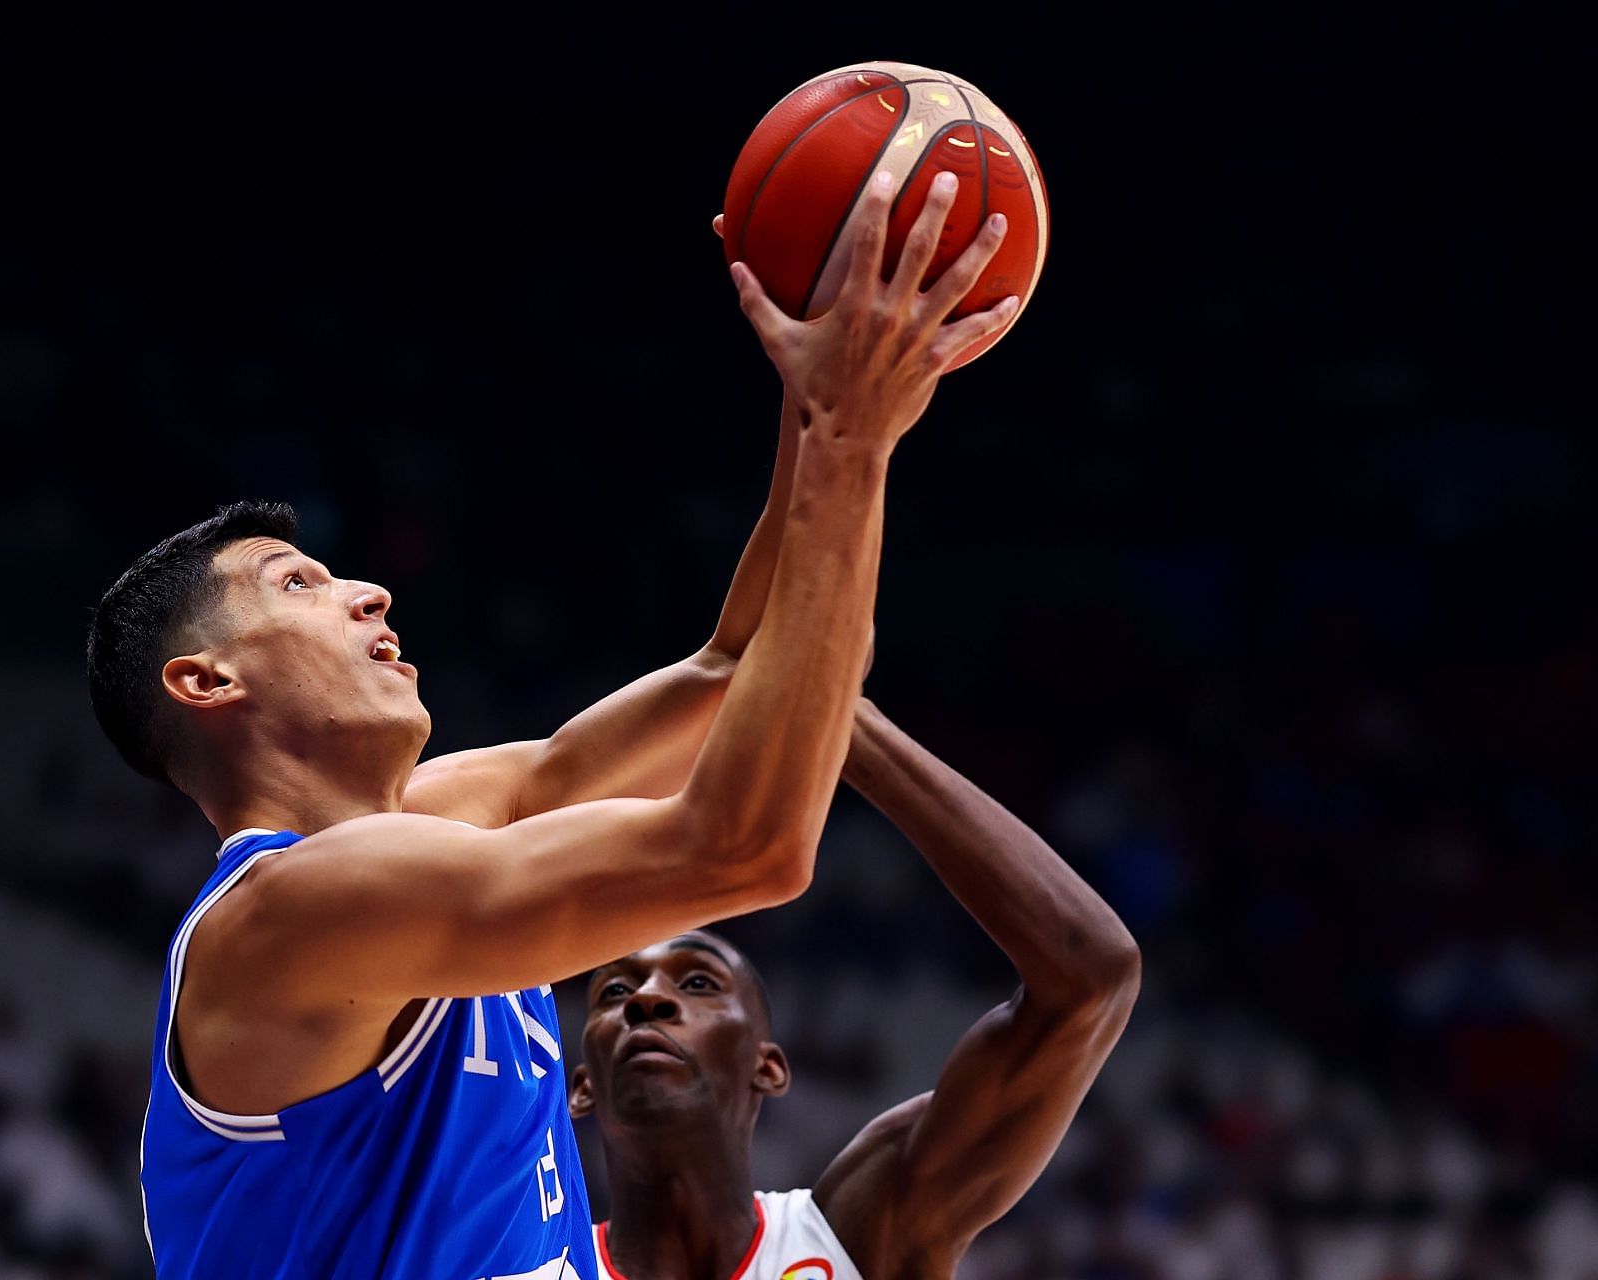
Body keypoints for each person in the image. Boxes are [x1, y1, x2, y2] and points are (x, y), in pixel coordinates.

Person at [83, 171, 1021, 1278]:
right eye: (299, 584)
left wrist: (819, 387)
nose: (369, 592)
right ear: (205, 681)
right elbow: (747, 845)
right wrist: (851, 444)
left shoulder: (423, 826)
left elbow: (729, 665)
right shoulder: (289, 915)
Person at [570, 697, 1142, 1280]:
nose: (646, 1000)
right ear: (581, 1086)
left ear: (767, 1068)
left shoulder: (865, 1228)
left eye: (698, 982)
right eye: (614, 994)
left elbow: (1089, 979)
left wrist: (842, 717)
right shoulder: (523, 1264)